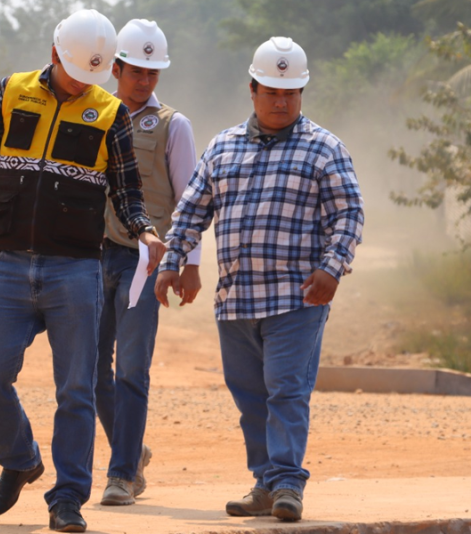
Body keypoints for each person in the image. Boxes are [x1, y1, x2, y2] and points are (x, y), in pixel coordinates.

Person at [0, 9, 165, 533]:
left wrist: (145, 231)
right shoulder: (10, 93)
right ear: (55, 53)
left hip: (77, 270)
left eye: (94, 76)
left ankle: (67, 499)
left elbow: (126, 191)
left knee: (76, 390)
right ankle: (19, 460)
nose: (86, 84)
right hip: (8, 267)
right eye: (78, 72)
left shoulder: (110, 112)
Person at [154, 37, 364, 522]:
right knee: (249, 396)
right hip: (237, 301)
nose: (281, 101)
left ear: (301, 93)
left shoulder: (324, 149)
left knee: (285, 389)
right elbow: (190, 211)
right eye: (271, 91)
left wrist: (332, 270)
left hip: (297, 299)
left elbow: (349, 215)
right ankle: (265, 483)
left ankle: (288, 483)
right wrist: (172, 261)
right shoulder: (223, 147)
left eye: (290, 93)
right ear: (252, 88)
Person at [95, 18, 201, 507]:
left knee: (131, 369)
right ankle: (132, 451)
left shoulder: (173, 126)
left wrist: (187, 263)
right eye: (136, 70)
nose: (144, 80)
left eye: (152, 73)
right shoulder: (92, 114)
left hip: (143, 262)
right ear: (115, 68)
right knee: (90, 368)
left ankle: (121, 475)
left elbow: (190, 200)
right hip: (91, 259)